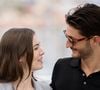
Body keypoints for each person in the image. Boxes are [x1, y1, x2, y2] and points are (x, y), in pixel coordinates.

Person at [50, 3, 100, 90]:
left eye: (72, 40)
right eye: (67, 37)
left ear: (95, 40)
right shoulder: (61, 67)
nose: (67, 45)